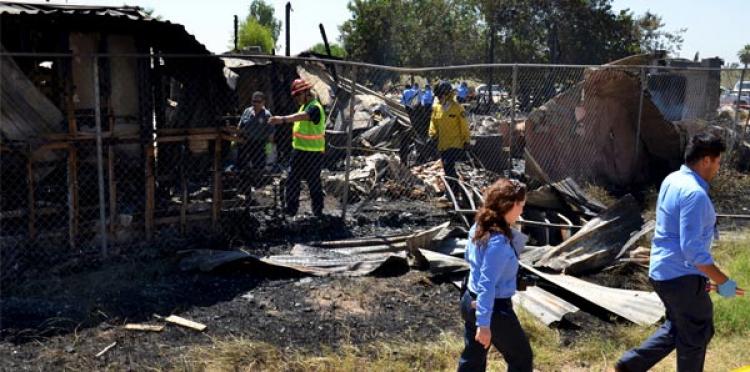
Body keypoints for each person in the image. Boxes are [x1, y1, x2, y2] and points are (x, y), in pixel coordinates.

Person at [615, 131, 743, 372]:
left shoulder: (672, 179)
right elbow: (693, 250)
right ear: (706, 160)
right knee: (697, 330)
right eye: (717, 161)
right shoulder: (695, 194)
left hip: (663, 272)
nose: (717, 167)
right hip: (682, 276)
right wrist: (724, 282)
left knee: (679, 326)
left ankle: (631, 364)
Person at [458, 178, 533, 372]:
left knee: (473, 359)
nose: (522, 211)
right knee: (521, 357)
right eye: (521, 206)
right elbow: (487, 283)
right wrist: (484, 323)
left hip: (469, 299)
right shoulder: (497, 242)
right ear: (509, 205)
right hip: (493, 309)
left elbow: (469, 259)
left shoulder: (478, 227)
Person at [269, 78, 327, 217]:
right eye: (295, 95)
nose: (296, 98)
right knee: (292, 180)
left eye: (298, 94)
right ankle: (291, 210)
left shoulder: (314, 107)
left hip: (313, 153)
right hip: (299, 151)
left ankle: (318, 212)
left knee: (313, 182)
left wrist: (282, 119)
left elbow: (304, 117)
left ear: (307, 93)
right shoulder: (304, 106)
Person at [428, 81, 470, 195]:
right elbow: (433, 123)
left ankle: (451, 192)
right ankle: (455, 191)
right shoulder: (437, 108)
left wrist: (466, 140)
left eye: (440, 95)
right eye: (437, 96)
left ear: (446, 94)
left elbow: (464, 126)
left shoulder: (458, 108)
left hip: (455, 143)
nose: (439, 98)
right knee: (447, 168)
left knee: (448, 166)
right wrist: (432, 134)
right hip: (443, 143)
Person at [237, 91, 273, 204]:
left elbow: (270, 136)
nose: (255, 103)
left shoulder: (267, 115)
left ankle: (257, 191)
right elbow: (240, 125)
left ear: (263, 103)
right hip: (246, 143)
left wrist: (269, 152)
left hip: (259, 144)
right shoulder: (247, 111)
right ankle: (245, 191)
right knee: (243, 167)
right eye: (253, 101)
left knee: (258, 169)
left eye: (258, 101)